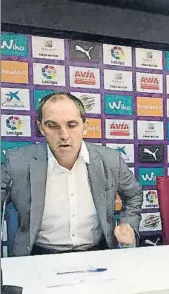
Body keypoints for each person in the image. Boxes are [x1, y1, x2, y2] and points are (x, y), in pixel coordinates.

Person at [1, 92, 143, 256]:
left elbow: (133, 194)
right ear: (41, 128)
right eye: (52, 126)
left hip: (99, 252)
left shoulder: (110, 160)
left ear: (85, 125)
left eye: (72, 125)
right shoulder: (17, 162)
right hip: (37, 255)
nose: (64, 135)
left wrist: (128, 224)